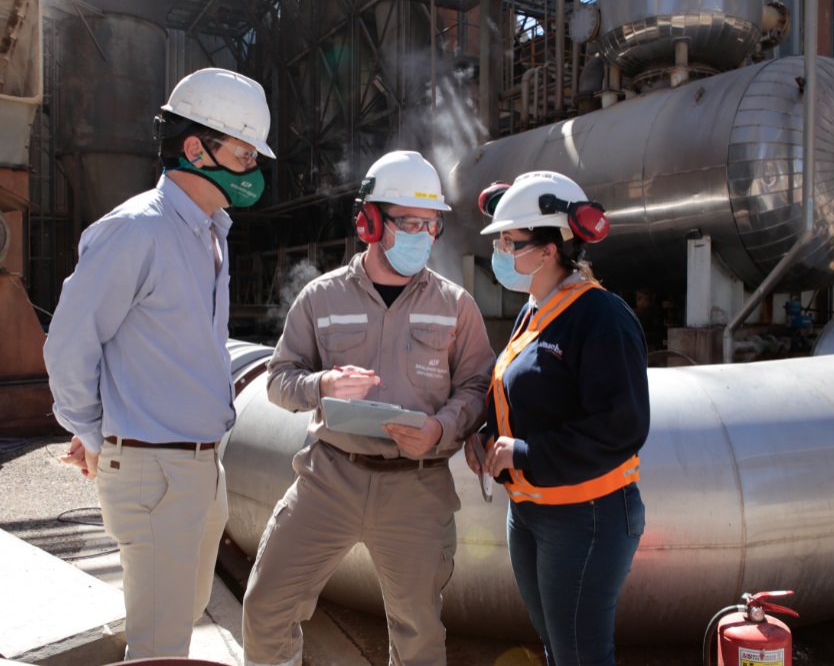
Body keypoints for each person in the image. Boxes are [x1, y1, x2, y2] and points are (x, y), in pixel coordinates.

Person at [43, 67, 275, 659]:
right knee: (159, 646)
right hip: (155, 472)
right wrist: (98, 435)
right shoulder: (135, 231)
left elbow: (166, 350)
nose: (254, 170)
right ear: (195, 148)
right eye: (245, 154)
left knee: (183, 616)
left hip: (200, 468)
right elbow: (70, 345)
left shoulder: (210, 233)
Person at [242, 150, 496, 666]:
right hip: (330, 477)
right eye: (410, 223)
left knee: (419, 633)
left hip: (416, 485)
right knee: (266, 605)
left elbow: (477, 387)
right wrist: (323, 385)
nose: (423, 236)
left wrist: (440, 428)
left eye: (432, 225)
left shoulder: (455, 306)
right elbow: (277, 382)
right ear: (371, 221)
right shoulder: (320, 298)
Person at [466, 171, 649, 666]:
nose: (501, 251)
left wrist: (523, 453)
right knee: (557, 647)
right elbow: (525, 393)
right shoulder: (535, 310)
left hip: (585, 516)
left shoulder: (600, 316)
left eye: (511, 241)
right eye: (500, 240)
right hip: (531, 510)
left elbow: (623, 425)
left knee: (580, 655)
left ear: (550, 250)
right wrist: (488, 434)